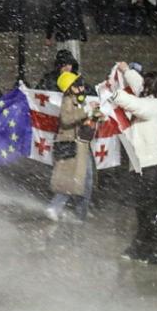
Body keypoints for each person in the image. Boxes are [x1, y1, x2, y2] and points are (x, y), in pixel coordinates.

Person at [111, 62, 157, 264]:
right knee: (142, 209)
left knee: (149, 209)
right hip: (144, 163)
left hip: (151, 164)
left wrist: (115, 94)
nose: (142, 88)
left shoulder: (155, 106)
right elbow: (139, 87)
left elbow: (136, 104)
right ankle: (141, 246)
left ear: (152, 89)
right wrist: (126, 70)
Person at [46, 72, 101, 223]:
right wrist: (86, 110)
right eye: (78, 86)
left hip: (81, 144)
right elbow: (66, 119)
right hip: (72, 145)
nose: (82, 88)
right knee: (74, 180)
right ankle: (61, 209)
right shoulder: (68, 100)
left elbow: (82, 118)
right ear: (70, 88)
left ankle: (79, 211)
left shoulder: (78, 100)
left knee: (83, 179)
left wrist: (95, 114)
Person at [45, 0, 87, 64]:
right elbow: (79, 19)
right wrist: (83, 34)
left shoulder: (58, 4)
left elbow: (52, 20)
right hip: (70, 35)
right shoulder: (73, 2)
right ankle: (73, 74)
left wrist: (48, 36)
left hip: (63, 35)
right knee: (73, 59)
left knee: (63, 60)